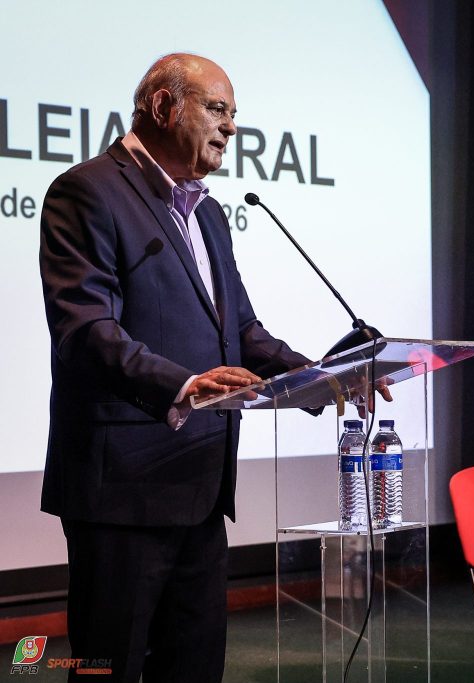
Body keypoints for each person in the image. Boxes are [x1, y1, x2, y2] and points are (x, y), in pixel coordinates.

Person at [39, 54, 317, 681]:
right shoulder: (87, 191)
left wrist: (319, 375)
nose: (231, 128)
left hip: (199, 483)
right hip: (121, 492)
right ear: (164, 107)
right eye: (217, 110)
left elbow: (240, 332)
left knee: (194, 668)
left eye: (234, 115)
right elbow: (85, 331)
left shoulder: (209, 212)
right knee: (105, 669)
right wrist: (185, 386)